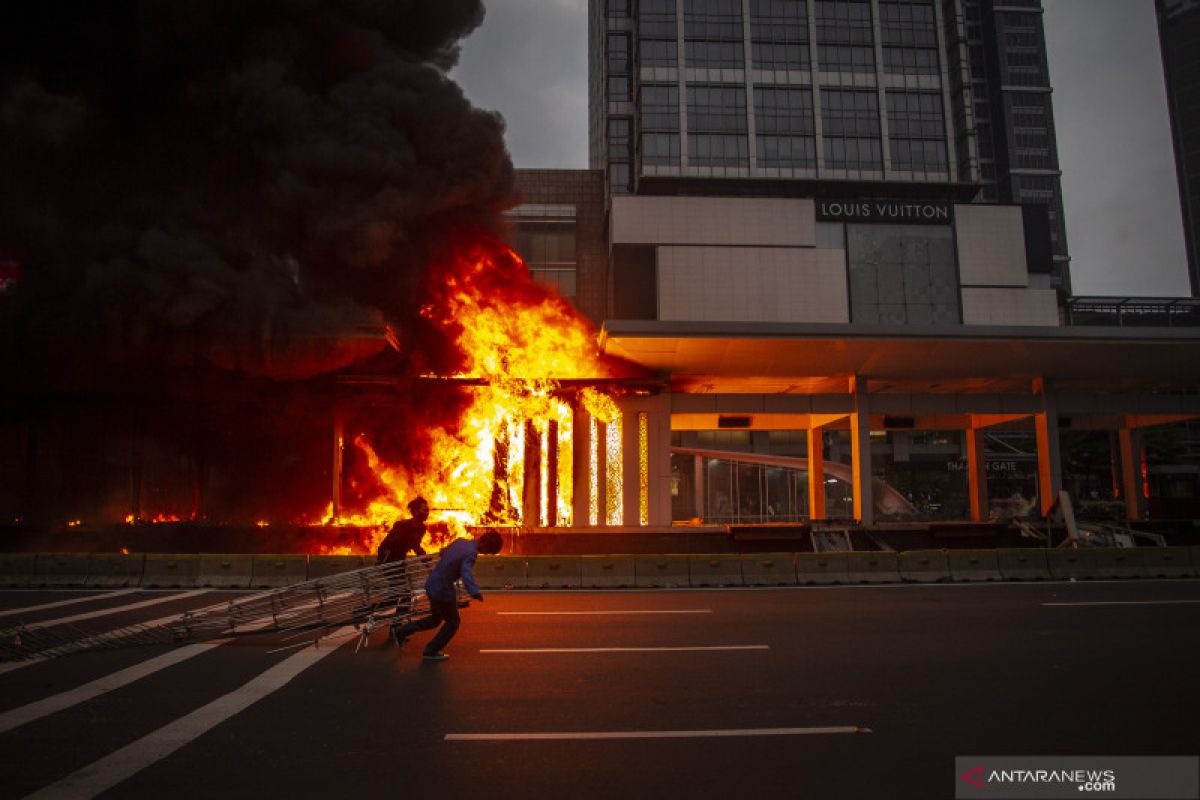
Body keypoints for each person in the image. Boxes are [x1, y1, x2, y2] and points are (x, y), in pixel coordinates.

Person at [391, 529, 503, 661]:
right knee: (453, 622)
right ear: (486, 545)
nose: (485, 553)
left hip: (432, 583)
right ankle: (432, 650)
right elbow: (466, 573)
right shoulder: (471, 554)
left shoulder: (460, 541)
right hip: (443, 589)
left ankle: (401, 631)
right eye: (488, 551)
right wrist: (474, 591)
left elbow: (444, 552)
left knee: (435, 619)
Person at [376, 497, 430, 619]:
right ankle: (366, 611)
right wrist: (382, 562)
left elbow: (416, 546)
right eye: (424, 510)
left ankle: (396, 628)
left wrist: (427, 563)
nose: (426, 513)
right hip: (389, 562)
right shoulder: (401, 525)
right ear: (414, 512)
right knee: (402, 595)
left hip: (400, 563)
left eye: (427, 510)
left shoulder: (422, 528)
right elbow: (386, 544)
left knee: (399, 596)